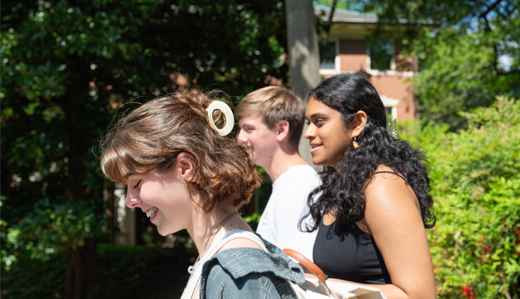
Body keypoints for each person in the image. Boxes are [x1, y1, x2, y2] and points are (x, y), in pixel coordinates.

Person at [100, 91, 304, 299]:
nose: (130, 201)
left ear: (186, 167)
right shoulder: (223, 259)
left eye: (136, 183)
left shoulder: (239, 274)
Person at [302, 74, 437, 298]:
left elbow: (420, 295)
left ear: (357, 123)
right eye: (309, 122)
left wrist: (332, 290)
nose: (308, 132)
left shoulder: (382, 186)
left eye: (319, 121)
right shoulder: (341, 186)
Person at [236, 86, 321, 261]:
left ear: (281, 130)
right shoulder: (289, 184)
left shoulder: (297, 189)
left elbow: (302, 276)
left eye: (249, 129)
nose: (240, 138)